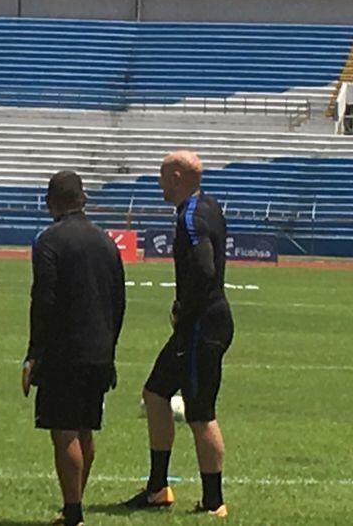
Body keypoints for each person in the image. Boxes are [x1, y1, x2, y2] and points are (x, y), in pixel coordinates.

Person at [124, 150, 233, 518]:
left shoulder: (191, 216)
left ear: (175, 176)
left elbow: (203, 270)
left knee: (201, 412)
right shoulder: (209, 206)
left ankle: (213, 502)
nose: (158, 183)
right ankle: (157, 487)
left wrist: (183, 311)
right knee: (155, 393)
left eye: (160, 176)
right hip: (203, 321)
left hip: (202, 325)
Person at [22, 171, 126, 526]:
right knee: (85, 428)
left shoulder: (48, 240)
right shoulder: (107, 242)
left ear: (51, 202)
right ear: (83, 199)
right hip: (99, 349)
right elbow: (119, 300)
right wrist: (109, 345)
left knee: (64, 431)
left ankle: (73, 513)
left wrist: (35, 353)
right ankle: (74, 505)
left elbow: (44, 300)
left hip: (64, 351)